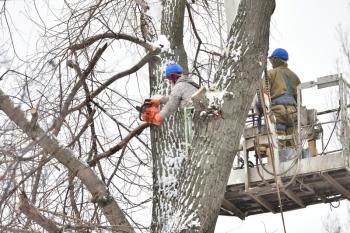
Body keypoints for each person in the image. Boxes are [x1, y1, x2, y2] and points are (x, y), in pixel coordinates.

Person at [265, 48, 301, 149]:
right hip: (293, 113)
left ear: (276, 59)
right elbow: (299, 100)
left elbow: (263, 96)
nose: (271, 62)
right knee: (293, 144)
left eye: (272, 59)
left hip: (278, 112)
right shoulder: (295, 77)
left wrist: (265, 111)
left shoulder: (271, 73)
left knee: (278, 144)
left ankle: (280, 162)